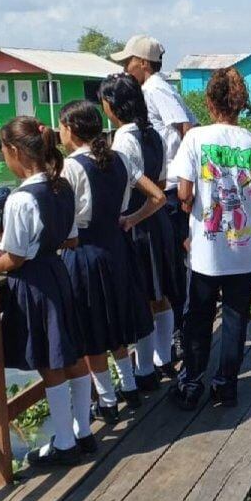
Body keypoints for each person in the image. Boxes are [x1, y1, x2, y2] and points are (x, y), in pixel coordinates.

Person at [0, 117, 87, 467]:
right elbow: (71, 239)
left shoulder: (20, 198)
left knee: (49, 362)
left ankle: (65, 443)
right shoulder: (61, 186)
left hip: (35, 283)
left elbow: (15, 258)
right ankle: (83, 432)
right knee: (70, 355)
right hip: (58, 274)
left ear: (14, 151)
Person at [170, 66, 251, 410]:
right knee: (235, 318)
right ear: (241, 104)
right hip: (243, 249)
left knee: (198, 319)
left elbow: (184, 192)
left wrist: (189, 205)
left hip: (206, 250)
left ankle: (192, 384)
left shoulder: (195, 138)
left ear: (210, 102)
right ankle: (226, 385)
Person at [58, 99, 166, 422]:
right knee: (115, 322)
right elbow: (159, 196)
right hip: (117, 248)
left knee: (92, 330)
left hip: (85, 253)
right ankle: (129, 387)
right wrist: (131, 219)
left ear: (70, 129)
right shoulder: (118, 158)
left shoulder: (71, 167)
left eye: (61, 127)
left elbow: (64, 222)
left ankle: (107, 401)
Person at [111, 34, 196, 337]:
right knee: (170, 261)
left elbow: (186, 127)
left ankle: (179, 331)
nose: (125, 68)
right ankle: (176, 331)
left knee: (167, 266)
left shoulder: (154, 89)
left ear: (144, 63)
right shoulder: (161, 88)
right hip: (165, 185)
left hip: (168, 187)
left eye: (129, 62)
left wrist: (188, 179)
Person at [99, 74, 180, 390]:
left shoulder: (123, 141)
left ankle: (146, 369)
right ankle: (163, 357)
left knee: (144, 297)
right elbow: (161, 183)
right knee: (160, 293)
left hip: (137, 222)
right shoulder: (154, 135)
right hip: (158, 221)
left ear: (112, 105)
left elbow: (134, 187)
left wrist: (131, 218)